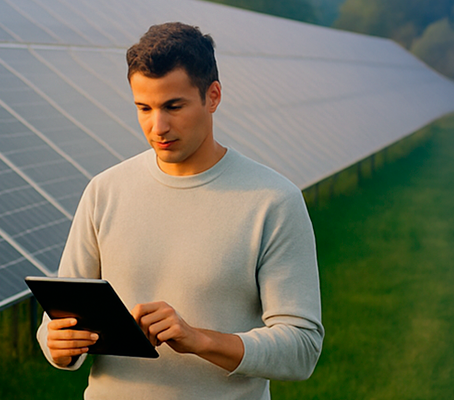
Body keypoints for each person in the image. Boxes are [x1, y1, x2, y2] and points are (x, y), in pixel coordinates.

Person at [36, 22, 324, 399]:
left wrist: (200, 339)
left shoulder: (272, 200)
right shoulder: (104, 191)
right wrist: (57, 345)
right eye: (144, 108)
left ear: (213, 96)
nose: (158, 126)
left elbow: (302, 351)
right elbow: (56, 322)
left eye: (174, 106)